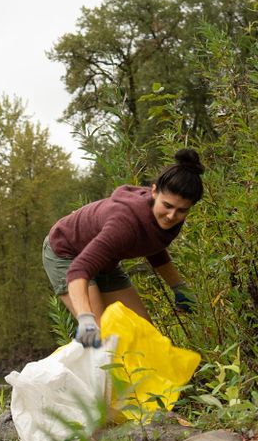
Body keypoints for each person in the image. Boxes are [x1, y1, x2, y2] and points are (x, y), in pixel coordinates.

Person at [42, 148, 204, 348]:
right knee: (100, 336)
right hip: (67, 253)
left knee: (145, 336)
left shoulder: (170, 220)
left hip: (105, 260)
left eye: (181, 210)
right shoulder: (124, 224)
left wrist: (179, 288)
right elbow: (78, 270)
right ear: (154, 191)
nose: (172, 216)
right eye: (167, 206)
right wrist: (86, 319)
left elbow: (154, 246)